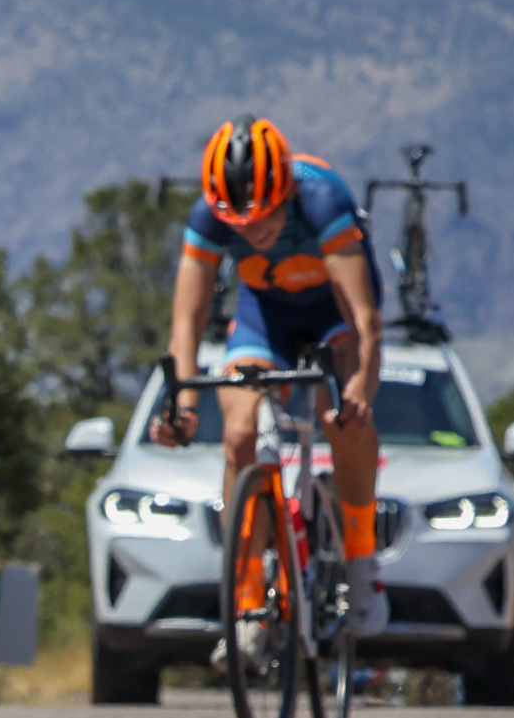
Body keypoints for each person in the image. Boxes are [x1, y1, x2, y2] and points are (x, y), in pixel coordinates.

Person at [149, 116, 389, 628]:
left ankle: (362, 559)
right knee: (238, 432)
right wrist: (184, 409)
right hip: (267, 317)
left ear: (286, 191)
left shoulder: (322, 200)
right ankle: (248, 596)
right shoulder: (210, 217)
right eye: (237, 222)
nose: (252, 231)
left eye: (264, 216)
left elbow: (366, 320)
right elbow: (186, 325)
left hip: (335, 315)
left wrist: (362, 385)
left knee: (342, 416)